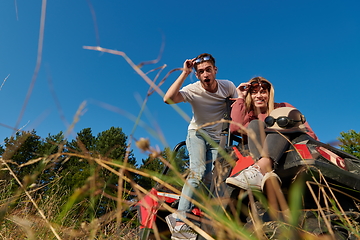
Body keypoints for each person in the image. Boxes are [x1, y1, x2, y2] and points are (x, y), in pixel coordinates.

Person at [163, 53, 238, 239]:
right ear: (197, 75)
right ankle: (180, 222)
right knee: (197, 172)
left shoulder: (227, 86)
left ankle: (201, 215)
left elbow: (239, 106)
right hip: (197, 133)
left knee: (212, 179)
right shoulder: (193, 89)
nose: (205, 74)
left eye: (208, 70)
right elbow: (168, 99)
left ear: (215, 70)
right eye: (201, 71)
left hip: (217, 139)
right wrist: (184, 72)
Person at [225, 76, 318, 190]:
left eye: (263, 92)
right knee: (255, 124)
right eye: (254, 93)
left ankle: (261, 169)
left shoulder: (281, 106)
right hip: (258, 152)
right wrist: (240, 97)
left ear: (269, 94)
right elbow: (235, 128)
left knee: (280, 119)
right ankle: (266, 173)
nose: (259, 96)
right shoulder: (247, 114)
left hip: (287, 150)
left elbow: (306, 130)